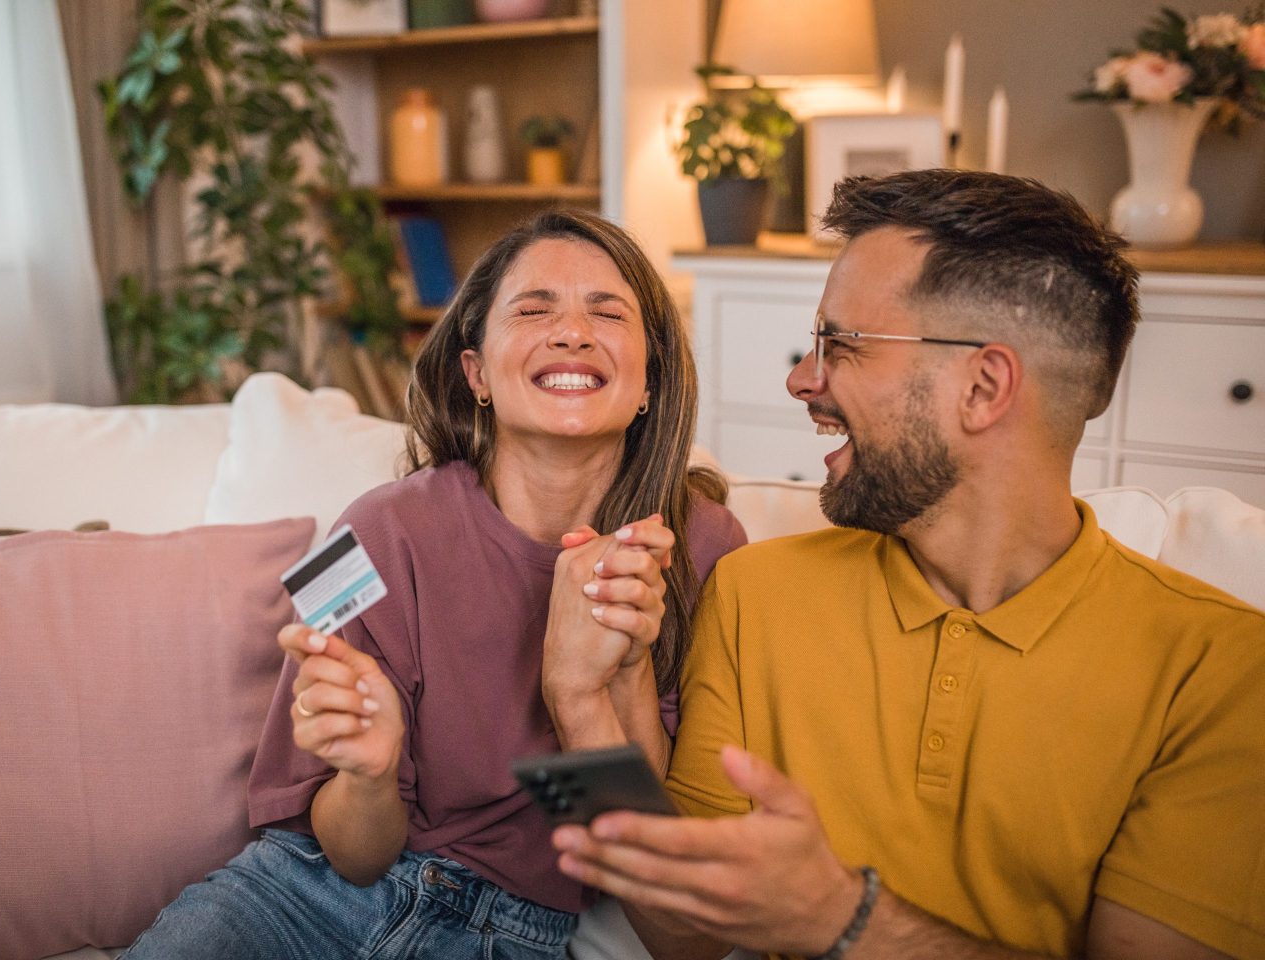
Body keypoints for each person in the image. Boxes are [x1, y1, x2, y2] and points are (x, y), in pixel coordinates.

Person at [551, 170, 1265, 960]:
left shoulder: (1221, 672)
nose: (802, 379)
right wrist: (589, 695)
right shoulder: (757, 592)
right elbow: (677, 941)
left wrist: (843, 918)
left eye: (842, 344)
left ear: (984, 386)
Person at [119, 209, 747, 959]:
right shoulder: (370, 531)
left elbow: (667, 906)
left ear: (650, 377)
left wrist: (601, 689)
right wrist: (371, 775)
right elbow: (354, 853)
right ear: (476, 371)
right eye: (534, 308)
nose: (573, 331)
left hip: (516, 934)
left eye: (607, 311)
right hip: (306, 894)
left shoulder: (704, 548)